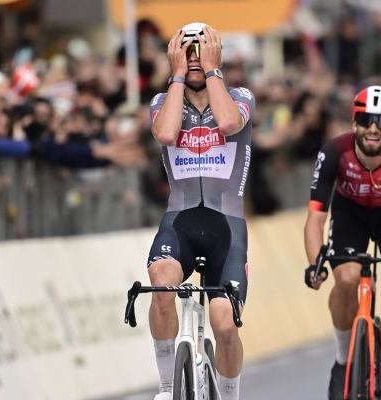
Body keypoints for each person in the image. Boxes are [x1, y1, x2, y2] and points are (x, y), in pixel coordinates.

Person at [146, 22, 254, 400]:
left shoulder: (240, 96)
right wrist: (178, 75)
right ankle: (166, 385)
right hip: (181, 222)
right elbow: (165, 134)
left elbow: (228, 123)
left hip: (227, 226)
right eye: (186, 52)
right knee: (160, 282)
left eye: (201, 51)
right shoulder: (162, 101)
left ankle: (230, 394)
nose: (194, 58)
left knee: (224, 325)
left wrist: (212, 70)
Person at [303, 85, 381, 400]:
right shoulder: (334, 151)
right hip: (351, 212)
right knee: (346, 279)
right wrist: (315, 264)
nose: (373, 128)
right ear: (354, 123)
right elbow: (315, 218)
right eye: (365, 119)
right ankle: (342, 360)